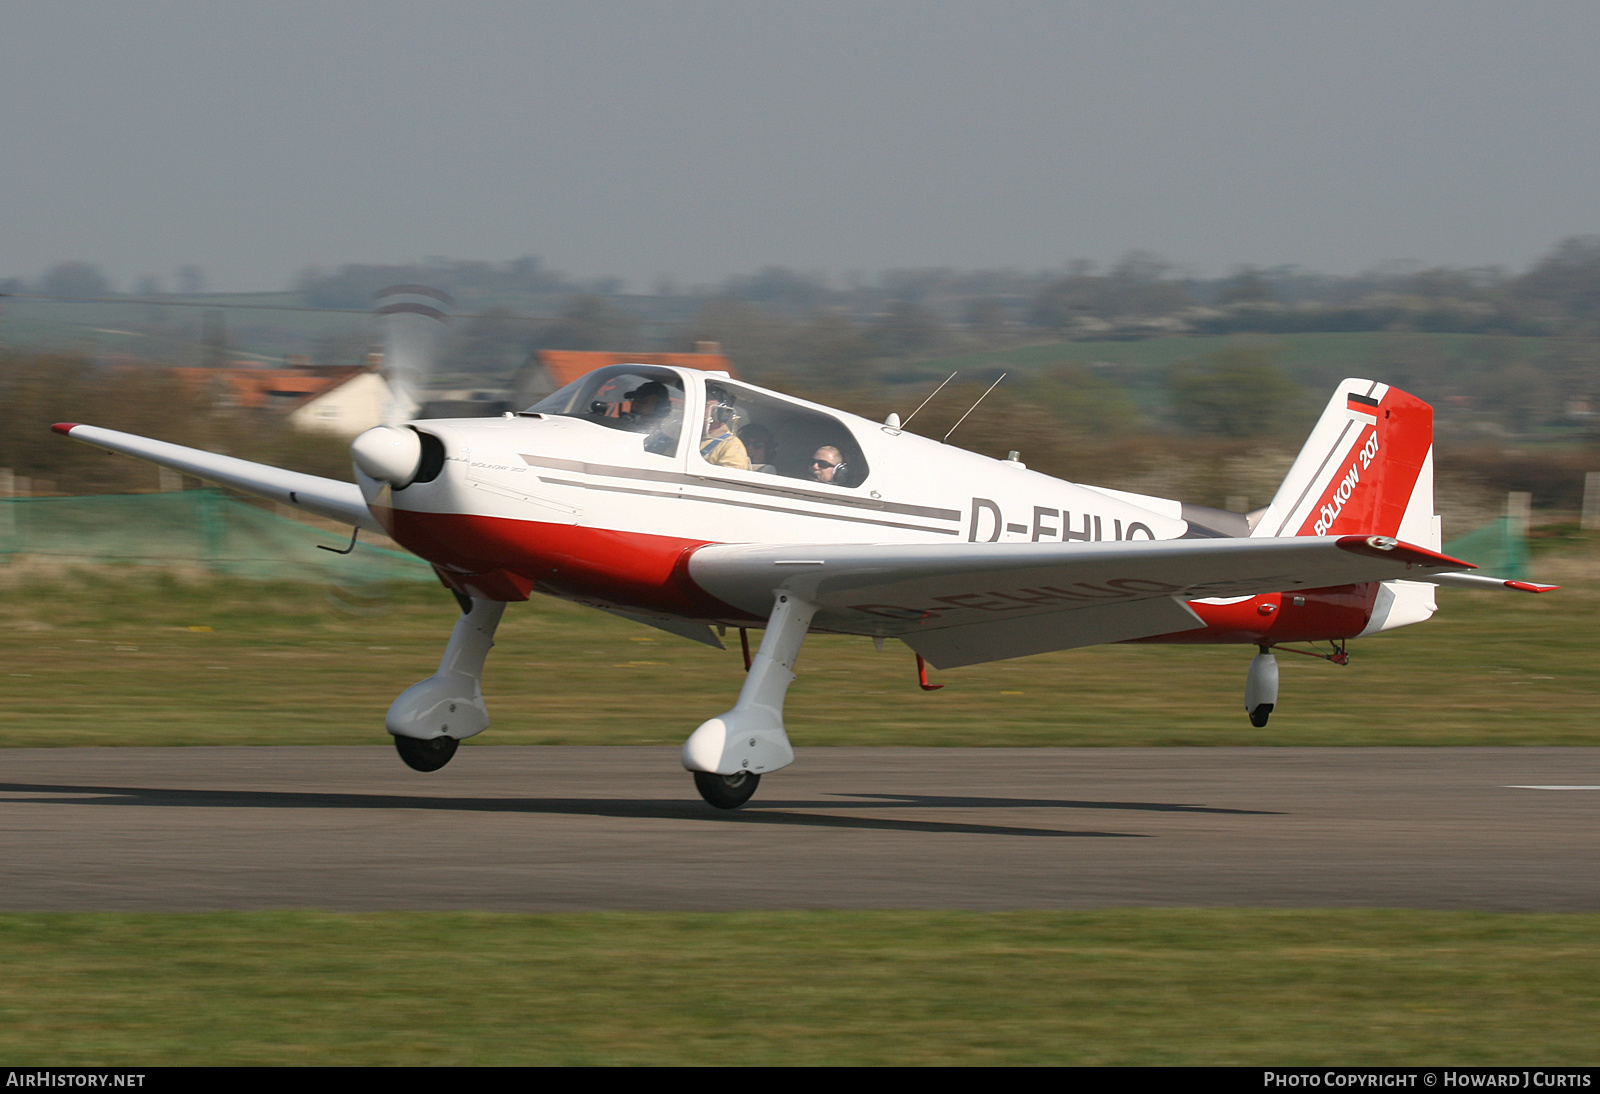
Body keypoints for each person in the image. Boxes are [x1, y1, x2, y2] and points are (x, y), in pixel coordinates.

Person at [700, 384, 750, 470]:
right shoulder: (687, 437)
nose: (697, 409)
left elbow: (730, 481)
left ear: (721, 412)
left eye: (704, 405)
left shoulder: (731, 446)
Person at [622, 380, 678, 455]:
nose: (636, 405)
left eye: (643, 402)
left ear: (660, 407)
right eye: (634, 400)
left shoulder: (666, 446)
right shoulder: (622, 430)